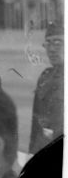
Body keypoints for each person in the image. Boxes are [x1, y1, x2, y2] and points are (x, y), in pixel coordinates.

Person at [29, 20, 63, 154]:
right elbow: (36, 126)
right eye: (48, 43)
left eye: (58, 42)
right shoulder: (45, 77)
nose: (52, 49)